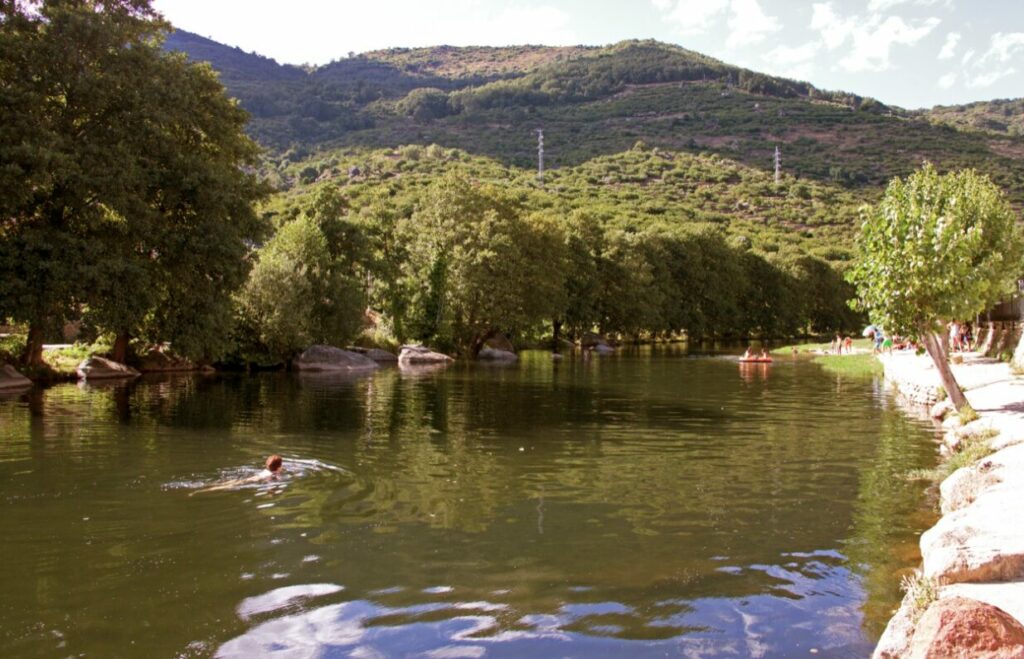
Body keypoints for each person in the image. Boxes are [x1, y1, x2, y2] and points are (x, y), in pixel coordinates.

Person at [191, 455, 284, 495]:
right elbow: (272, 484)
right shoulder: (274, 475)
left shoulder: (266, 470)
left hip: (249, 478)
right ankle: (198, 492)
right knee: (226, 486)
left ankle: (203, 486)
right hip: (251, 480)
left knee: (225, 483)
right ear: (279, 466)